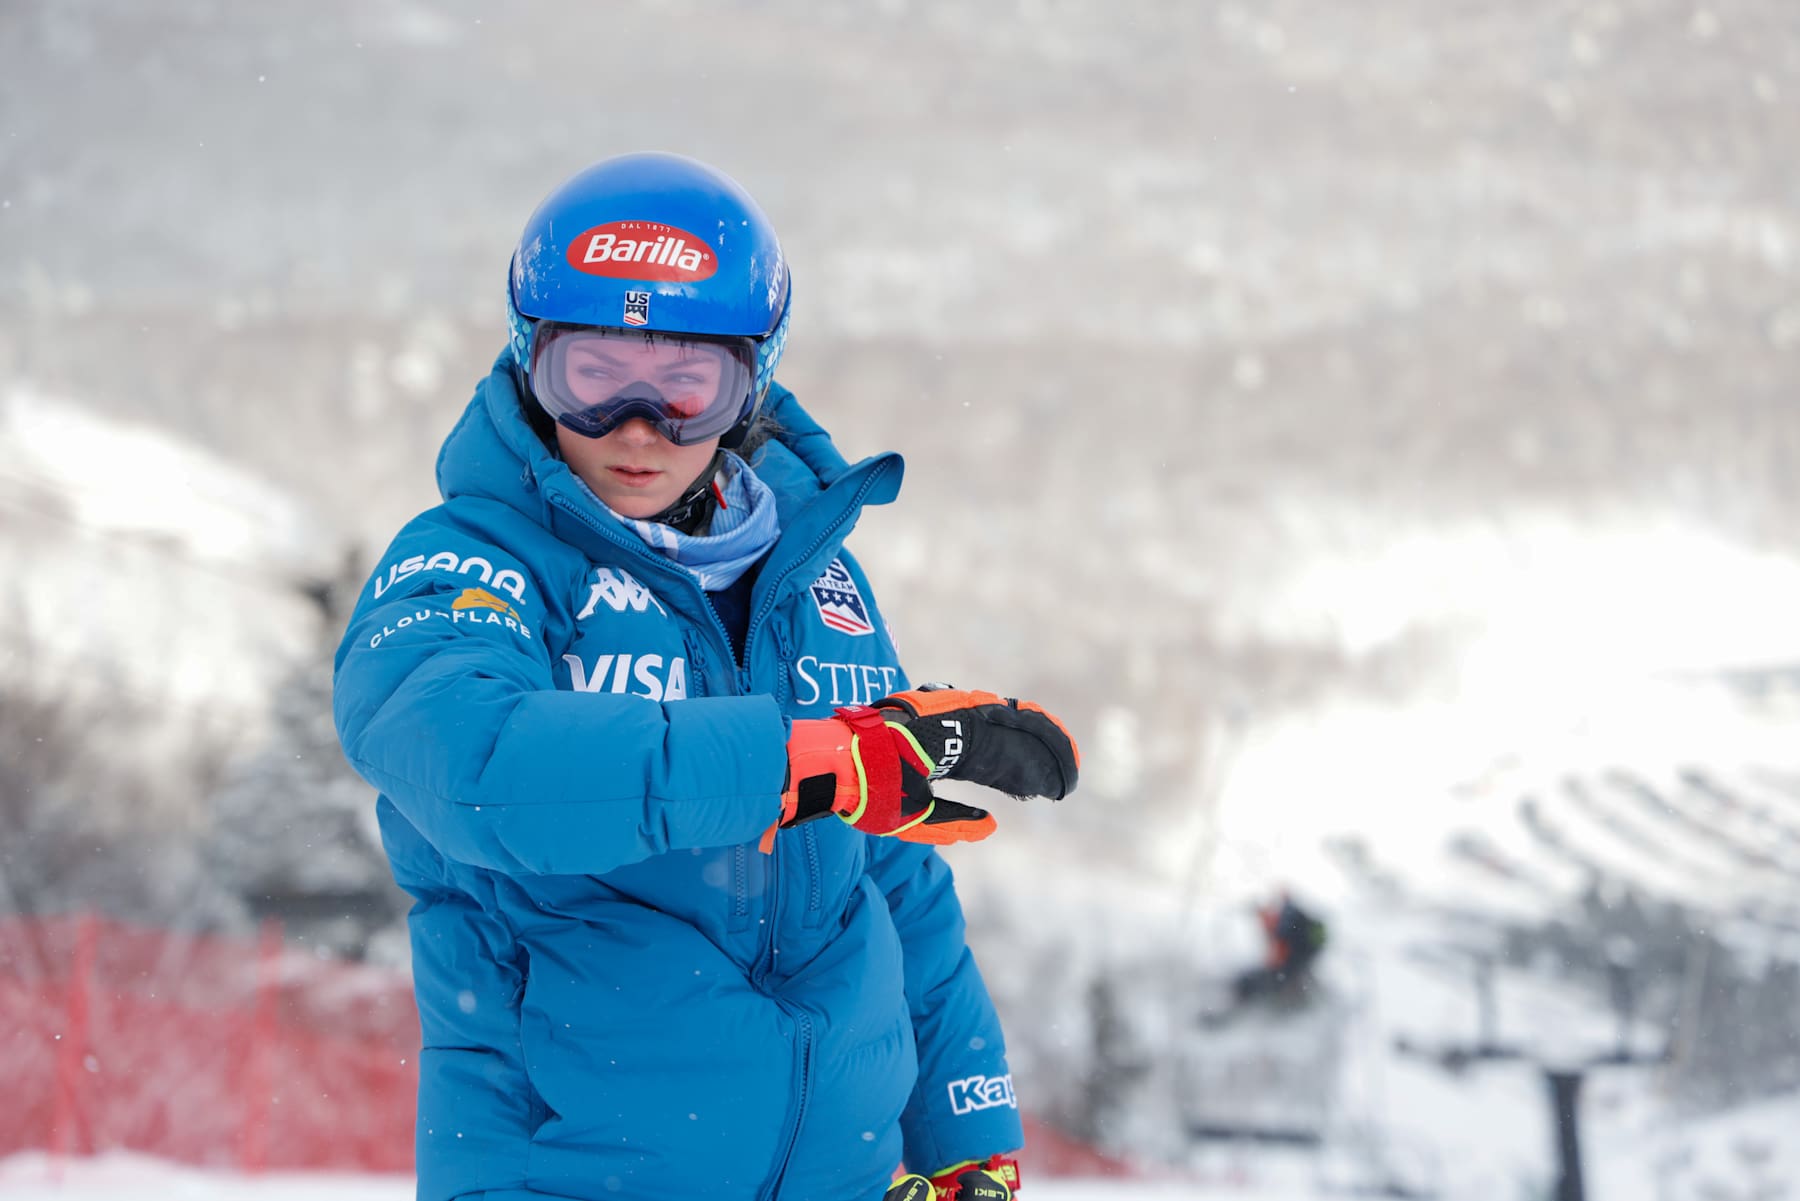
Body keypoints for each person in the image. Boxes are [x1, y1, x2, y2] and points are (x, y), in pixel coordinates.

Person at [332, 152, 1079, 1201]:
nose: (638, 427)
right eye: (592, 377)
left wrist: (966, 1124)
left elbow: (895, 876)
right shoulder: (472, 563)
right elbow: (474, 762)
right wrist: (796, 763)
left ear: (751, 381)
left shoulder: (820, 582)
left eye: (686, 384)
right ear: (529, 361)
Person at [1231, 890, 1329, 1006]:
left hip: (1287, 970)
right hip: (1298, 965)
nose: (1262, 922)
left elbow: (1278, 957)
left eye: (1263, 917)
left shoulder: (1283, 927)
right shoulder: (1291, 919)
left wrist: (1271, 966)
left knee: (1255, 982)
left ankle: (1235, 1001)